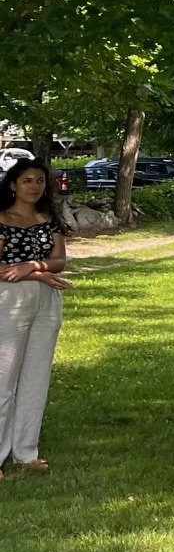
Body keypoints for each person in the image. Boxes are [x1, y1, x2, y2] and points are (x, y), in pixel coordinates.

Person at [0, 159, 72, 474]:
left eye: (40, 180)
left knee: (36, 377)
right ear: (13, 185)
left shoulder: (48, 220)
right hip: (9, 299)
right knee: (4, 378)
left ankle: (26, 452)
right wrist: (38, 273)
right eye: (27, 180)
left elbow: (59, 261)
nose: (34, 186)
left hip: (47, 298)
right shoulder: (2, 220)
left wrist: (34, 268)